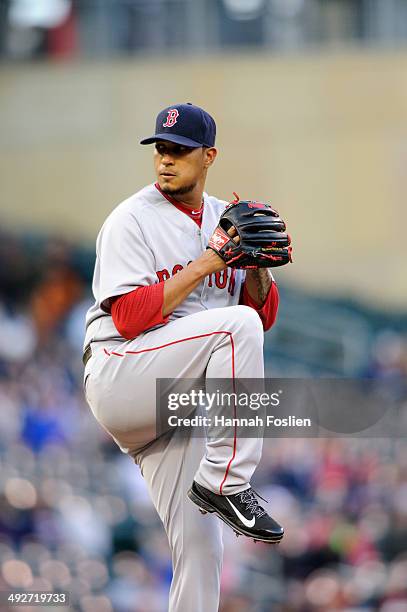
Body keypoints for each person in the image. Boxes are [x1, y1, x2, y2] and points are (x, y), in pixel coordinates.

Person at [83, 103, 285, 612]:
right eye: (160, 149)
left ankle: (218, 482)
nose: (166, 160)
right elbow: (128, 317)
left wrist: (256, 268)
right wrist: (208, 263)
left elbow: (262, 316)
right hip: (122, 371)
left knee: (201, 550)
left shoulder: (227, 219)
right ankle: (226, 480)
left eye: (179, 150)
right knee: (231, 327)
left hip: (175, 404)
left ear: (209, 156)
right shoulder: (130, 219)